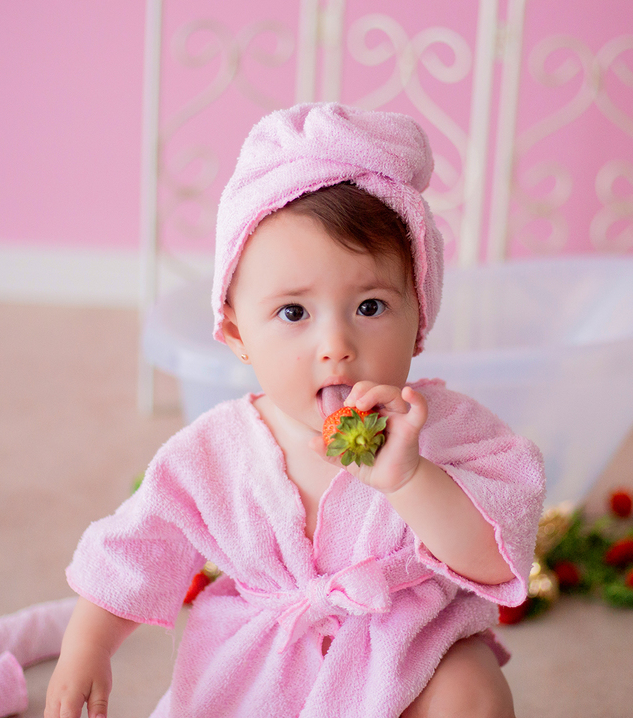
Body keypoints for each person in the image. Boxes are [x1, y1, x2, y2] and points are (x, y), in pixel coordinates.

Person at [46, 103, 545, 718]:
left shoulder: (444, 430)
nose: (335, 344)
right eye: (293, 313)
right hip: (264, 666)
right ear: (236, 333)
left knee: (469, 687)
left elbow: (498, 557)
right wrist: (85, 648)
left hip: (404, 653)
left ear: (420, 318)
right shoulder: (214, 452)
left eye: (369, 307)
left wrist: (412, 479)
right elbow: (135, 549)